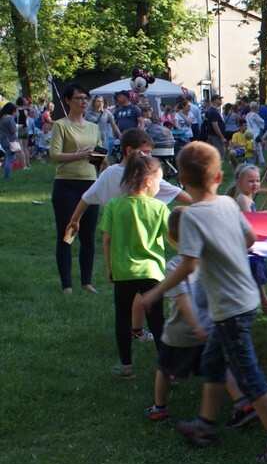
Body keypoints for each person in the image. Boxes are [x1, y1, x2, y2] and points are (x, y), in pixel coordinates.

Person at [140, 141, 267, 464]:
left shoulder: (192, 217)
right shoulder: (229, 206)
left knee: (249, 374)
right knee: (213, 363)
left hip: (230, 308)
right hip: (240, 299)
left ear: (182, 180)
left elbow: (186, 265)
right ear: (219, 176)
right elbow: (251, 238)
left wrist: (156, 292)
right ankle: (205, 425)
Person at [68, 128, 192, 341]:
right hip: (139, 246)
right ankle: (141, 333)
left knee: (134, 293)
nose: (149, 157)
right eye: (145, 152)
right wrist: (75, 219)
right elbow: (87, 197)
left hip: (121, 248)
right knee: (142, 292)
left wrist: (75, 218)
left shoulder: (133, 173)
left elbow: (176, 193)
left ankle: (135, 332)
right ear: (129, 150)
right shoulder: (136, 174)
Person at [145, 206, 257, 429]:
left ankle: (159, 409)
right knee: (219, 367)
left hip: (181, 332)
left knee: (164, 368)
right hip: (211, 328)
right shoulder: (208, 261)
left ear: (171, 237)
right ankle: (241, 403)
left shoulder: (176, 266)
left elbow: (183, 297)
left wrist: (194, 324)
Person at [98, 151, 170, 379]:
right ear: (149, 182)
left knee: (122, 318)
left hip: (123, 272)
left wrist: (109, 268)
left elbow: (106, 239)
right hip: (152, 274)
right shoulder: (159, 208)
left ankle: (126, 366)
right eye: (159, 181)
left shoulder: (114, 205)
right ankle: (168, 369)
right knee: (157, 320)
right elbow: (172, 237)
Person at [51, 82, 104, 294]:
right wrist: (79, 155)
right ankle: (67, 285)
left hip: (90, 186)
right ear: (67, 101)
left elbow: (99, 159)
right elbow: (55, 156)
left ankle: (86, 281)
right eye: (79, 98)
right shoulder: (61, 126)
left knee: (88, 236)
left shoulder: (93, 127)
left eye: (86, 98)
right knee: (68, 233)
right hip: (66, 186)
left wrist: (110, 167)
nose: (84, 102)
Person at [233, 164, 267, 315]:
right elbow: (250, 221)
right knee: (249, 276)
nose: (255, 184)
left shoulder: (247, 198)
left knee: (255, 274)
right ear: (239, 182)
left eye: (257, 181)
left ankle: (265, 303)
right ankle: (247, 307)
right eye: (250, 181)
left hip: (248, 245)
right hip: (243, 246)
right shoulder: (243, 199)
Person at [1, 103, 19, 188]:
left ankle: (6, 177)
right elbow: (13, 130)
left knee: (11, 158)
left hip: (4, 140)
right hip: (10, 141)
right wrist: (17, 128)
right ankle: (6, 177)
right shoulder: (10, 118)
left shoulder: (2, 118)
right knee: (9, 159)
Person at [205, 94, 227, 159]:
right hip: (215, 136)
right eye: (219, 99)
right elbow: (215, 126)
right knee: (219, 153)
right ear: (215, 100)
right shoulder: (213, 111)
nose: (221, 101)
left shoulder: (215, 110)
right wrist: (222, 137)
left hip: (215, 135)